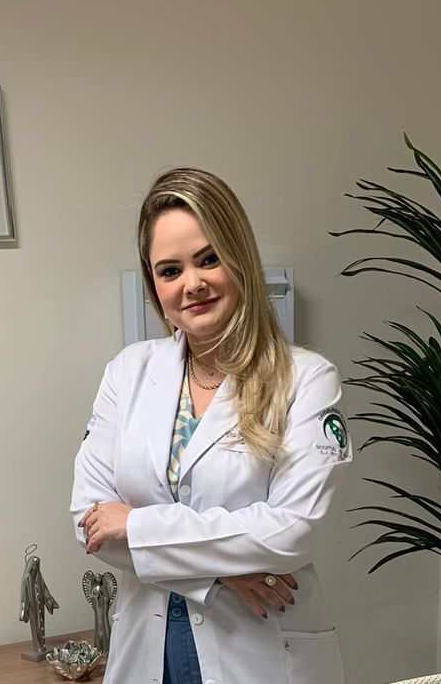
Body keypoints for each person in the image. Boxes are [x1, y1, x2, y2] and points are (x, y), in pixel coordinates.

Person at [70, 167, 353, 684]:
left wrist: (137, 525)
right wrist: (219, 572)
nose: (192, 284)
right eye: (170, 270)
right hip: (148, 645)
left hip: (260, 645)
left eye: (208, 259)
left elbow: (292, 531)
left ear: (239, 257)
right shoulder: (128, 373)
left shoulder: (308, 380)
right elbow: (91, 524)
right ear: (154, 284)